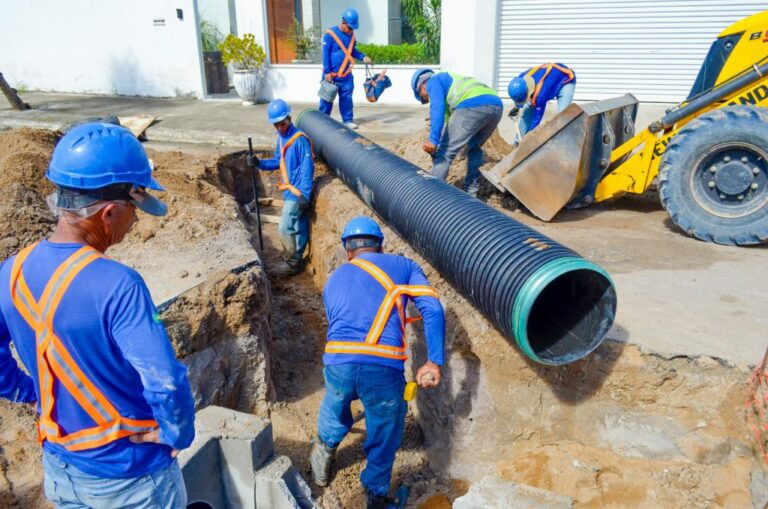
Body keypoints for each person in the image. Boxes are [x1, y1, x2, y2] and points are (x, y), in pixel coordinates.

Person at [0, 122, 195, 508]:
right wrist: (177, 434)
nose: (137, 221)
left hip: (61, 472)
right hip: (131, 481)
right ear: (107, 213)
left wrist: (30, 391)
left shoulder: (11, 273)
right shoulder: (119, 285)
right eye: (134, 210)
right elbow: (166, 382)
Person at [310, 217, 445, 508]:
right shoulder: (404, 266)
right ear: (380, 246)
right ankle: (375, 495)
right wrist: (433, 361)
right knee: (384, 427)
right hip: (382, 368)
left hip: (337, 363)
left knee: (335, 406)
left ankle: (322, 459)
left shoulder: (334, 278)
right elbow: (432, 308)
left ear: (348, 250)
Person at [411, 69, 503, 198]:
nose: (428, 98)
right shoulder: (450, 83)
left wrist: (433, 140)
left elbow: (437, 108)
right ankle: (471, 193)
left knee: (445, 153)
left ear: (422, 87)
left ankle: (430, 198)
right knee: (474, 148)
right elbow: (449, 121)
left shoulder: (433, 81)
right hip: (496, 106)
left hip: (472, 104)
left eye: (424, 97)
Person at [248, 99, 314, 275]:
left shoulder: (300, 140)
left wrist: (304, 195)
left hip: (298, 191)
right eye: (276, 125)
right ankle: (298, 258)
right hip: (289, 189)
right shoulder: (281, 139)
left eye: (282, 124)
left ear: (289, 119)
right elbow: (278, 161)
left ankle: (292, 263)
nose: (279, 127)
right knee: (298, 224)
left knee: (285, 227)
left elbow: (308, 169)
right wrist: (258, 163)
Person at [319, 7, 372, 129]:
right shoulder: (330, 35)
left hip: (346, 76)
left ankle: (347, 120)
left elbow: (352, 51)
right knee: (326, 100)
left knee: (347, 98)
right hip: (331, 75)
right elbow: (325, 54)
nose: (350, 30)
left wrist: (363, 57)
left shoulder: (351, 36)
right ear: (343, 22)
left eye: (352, 28)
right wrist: (327, 71)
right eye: (349, 27)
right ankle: (321, 122)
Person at [507, 62, 576, 140]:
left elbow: (537, 118)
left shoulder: (541, 95)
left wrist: (529, 138)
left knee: (563, 115)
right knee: (527, 113)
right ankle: (517, 143)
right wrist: (516, 108)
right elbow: (519, 95)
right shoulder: (520, 79)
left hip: (566, 80)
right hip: (551, 80)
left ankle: (564, 142)